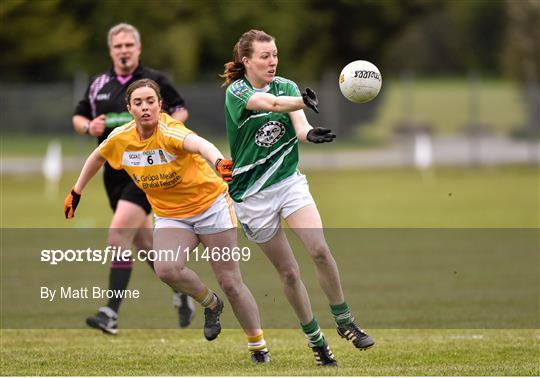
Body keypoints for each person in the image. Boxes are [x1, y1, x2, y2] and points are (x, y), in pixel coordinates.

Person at [64, 78, 271, 363]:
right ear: (129, 109)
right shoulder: (121, 138)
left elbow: (199, 144)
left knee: (231, 282)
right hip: (172, 215)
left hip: (211, 207)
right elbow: (97, 156)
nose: (145, 107)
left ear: (160, 105)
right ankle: (211, 304)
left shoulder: (170, 130)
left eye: (151, 101)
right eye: (138, 103)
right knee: (166, 269)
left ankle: (258, 346)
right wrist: (76, 191)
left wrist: (219, 162)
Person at [221, 29, 375, 367]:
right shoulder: (238, 91)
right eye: (265, 56)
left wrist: (309, 134)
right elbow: (270, 104)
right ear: (246, 61)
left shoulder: (287, 86)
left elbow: (299, 125)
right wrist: (305, 100)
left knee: (319, 250)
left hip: (288, 182)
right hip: (252, 196)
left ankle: (345, 320)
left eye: (275, 54)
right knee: (289, 274)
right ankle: (316, 341)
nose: (272, 61)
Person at [72, 23, 195, 333]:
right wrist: (89, 127)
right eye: (118, 46)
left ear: (138, 48)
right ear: (111, 50)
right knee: (143, 244)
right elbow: (79, 117)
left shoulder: (155, 81)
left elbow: (181, 111)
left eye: (129, 45)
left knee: (117, 235)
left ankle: (110, 313)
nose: (124, 50)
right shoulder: (97, 83)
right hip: (112, 174)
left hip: (144, 170)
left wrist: (161, 127)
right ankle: (182, 290)